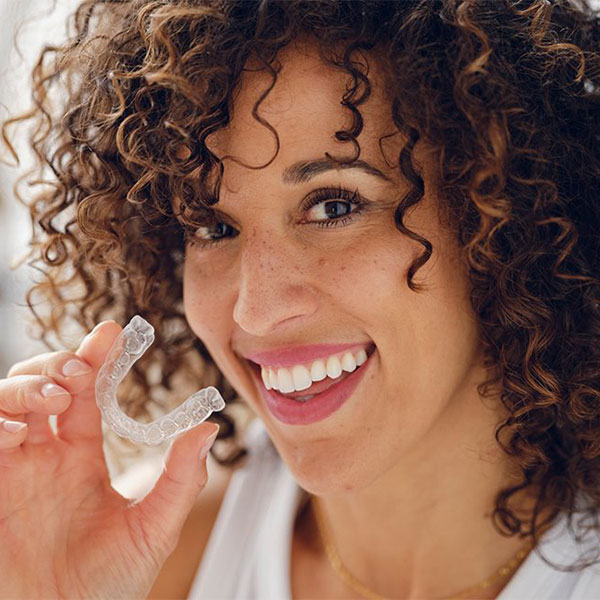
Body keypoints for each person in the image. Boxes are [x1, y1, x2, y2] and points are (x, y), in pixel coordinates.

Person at [1, 0, 600, 598]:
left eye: (335, 206)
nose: (254, 311)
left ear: (508, 219)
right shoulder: (138, 559)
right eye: (214, 227)